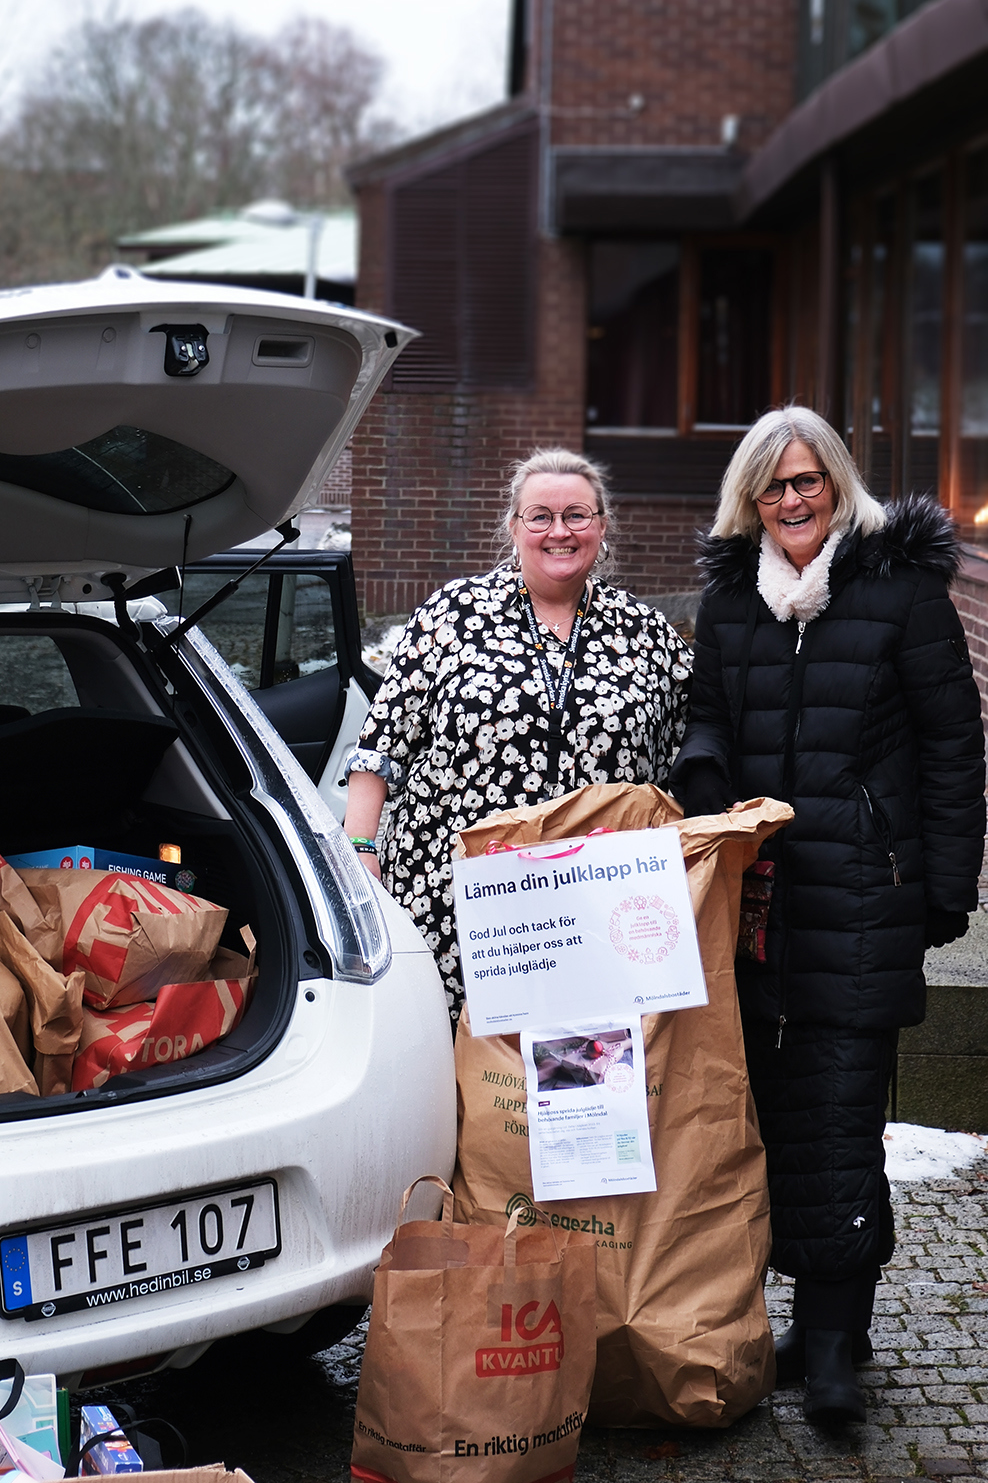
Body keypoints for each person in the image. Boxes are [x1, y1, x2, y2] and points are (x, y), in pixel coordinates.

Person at [671, 406, 986, 1427]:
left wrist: (946, 886)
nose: (794, 499)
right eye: (775, 486)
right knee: (771, 1116)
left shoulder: (901, 589)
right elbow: (708, 710)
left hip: (865, 891)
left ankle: (841, 1338)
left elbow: (953, 745)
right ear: (750, 498)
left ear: (837, 483)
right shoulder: (731, 600)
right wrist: (707, 772)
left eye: (809, 480)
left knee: (842, 1117)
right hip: (759, 902)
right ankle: (807, 1325)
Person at [343, 447, 693, 1018]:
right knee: (469, 1080)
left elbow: (691, 755)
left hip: (595, 907)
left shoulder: (647, 633)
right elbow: (380, 742)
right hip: (457, 898)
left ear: (602, 527)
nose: (560, 531)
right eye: (541, 517)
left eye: (577, 515)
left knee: (586, 1074)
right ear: (514, 527)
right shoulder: (453, 614)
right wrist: (361, 850)